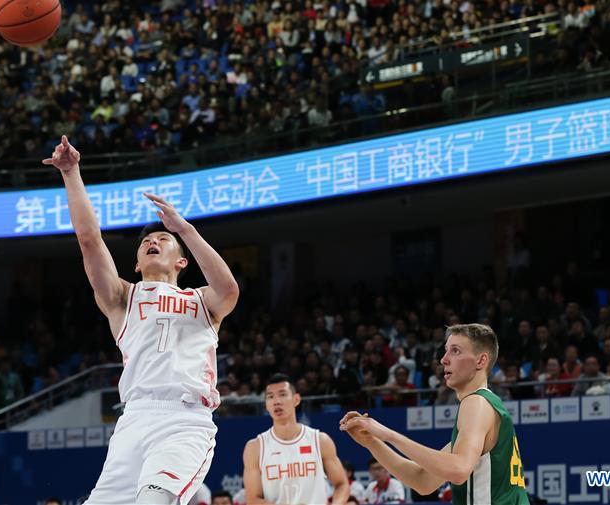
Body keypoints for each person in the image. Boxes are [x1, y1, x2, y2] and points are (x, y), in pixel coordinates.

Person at [43, 135, 239, 505]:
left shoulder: (203, 300)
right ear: (136, 264)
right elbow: (89, 240)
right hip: (133, 419)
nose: (153, 241)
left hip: (184, 421)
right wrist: (71, 173)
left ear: (182, 261)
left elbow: (229, 289)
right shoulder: (122, 297)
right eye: (147, 242)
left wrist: (185, 230)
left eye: (164, 240)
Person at [340, 323, 530, 505]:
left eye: (455, 351)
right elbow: (423, 481)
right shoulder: (487, 406)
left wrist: (388, 434)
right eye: (446, 350)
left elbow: (458, 470)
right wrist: (372, 442)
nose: (443, 359)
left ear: (481, 361)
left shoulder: (476, 402)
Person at [242, 374, 349, 504]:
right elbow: (253, 499)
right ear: (266, 405)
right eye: (270, 396)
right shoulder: (255, 447)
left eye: (282, 394)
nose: (276, 401)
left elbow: (342, 484)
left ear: (296, 399)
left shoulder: (320, 440)